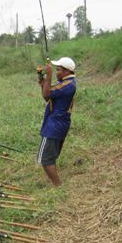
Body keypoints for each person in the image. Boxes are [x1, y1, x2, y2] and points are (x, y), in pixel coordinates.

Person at [37, 57, 77, 186]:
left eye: (58, 70)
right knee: (50, 156)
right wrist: (42, 80)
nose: (56, 72)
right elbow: (47, 93)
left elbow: (46, 95)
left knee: (45, 159)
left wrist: (48, 76)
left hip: (55, 125)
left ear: (67, 71)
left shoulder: (68, 84)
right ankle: (57, 183)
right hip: (58, 123)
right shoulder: (66, 83)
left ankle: (58, 186)